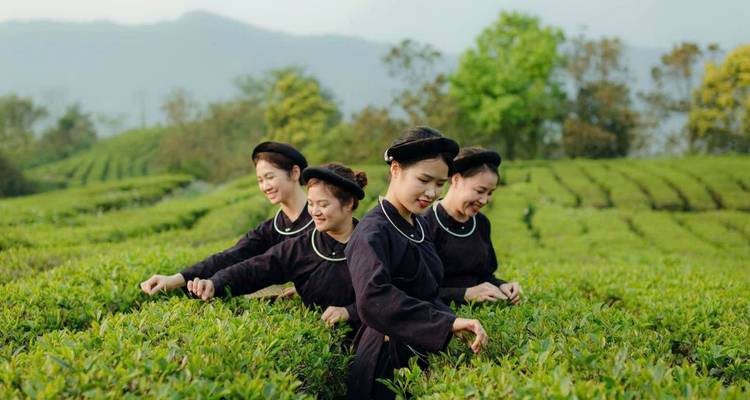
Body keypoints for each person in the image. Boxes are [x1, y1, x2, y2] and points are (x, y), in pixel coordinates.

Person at [344, 126, 489, 399]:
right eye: (424, 180)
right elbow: (373, 298)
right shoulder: (372, 231)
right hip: (384, 364)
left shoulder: (418, 225)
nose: (432, 193)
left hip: (419, 352)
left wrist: (452, 320)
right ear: (395, 170)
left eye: (439, 184)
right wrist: (446, 324)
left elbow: (428, 291)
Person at [184, 163, 367, 331]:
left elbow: (391, 293)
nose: (315, 212)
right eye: (311, 204)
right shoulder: (301, 248)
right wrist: (215, 283)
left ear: (349, 203)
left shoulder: (372, 244)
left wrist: (350, 311)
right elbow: (258, 268)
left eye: (323, 204)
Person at [140, 141, 313, 295]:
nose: (265, 186)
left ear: (295, 173)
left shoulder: (322, 221)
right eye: (260, 180)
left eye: (270, 177)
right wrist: (175, 279)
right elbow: (232, 256)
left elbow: (267, 265)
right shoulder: (272, 228)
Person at [425, 147, 522, 306]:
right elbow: (418, 290)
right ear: (455, 180)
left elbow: (484, 276)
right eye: (480, 191)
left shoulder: (481, 223)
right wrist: (464, 294)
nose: (484, 200)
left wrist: (502, 286)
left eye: (490, 193)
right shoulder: (426, 222)